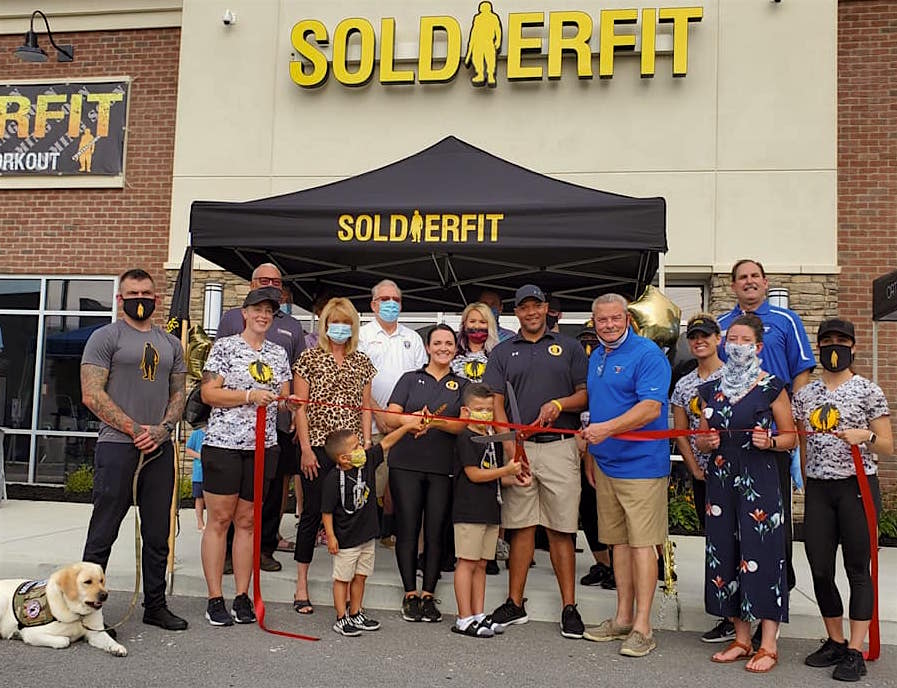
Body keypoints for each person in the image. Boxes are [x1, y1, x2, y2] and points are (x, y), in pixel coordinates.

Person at [80, 268, 188, 631]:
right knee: (104, 531)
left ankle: (155, 605)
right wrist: (133, 428)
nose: (139, 299)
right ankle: (86, 610)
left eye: (146, 293)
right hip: (117, 447)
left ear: (156, 299)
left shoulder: (171, 343)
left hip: (159, 449)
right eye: (132, 293)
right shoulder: (104, 337)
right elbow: (92, 394)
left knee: (158, 533)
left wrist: (162, 430)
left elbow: (178, 393)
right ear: (120, 298)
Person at [482, 284, 588, 639]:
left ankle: (569, 606)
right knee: (521, 525)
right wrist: (509, 446)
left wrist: (560, 404)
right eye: (523, 307)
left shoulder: (570, 347)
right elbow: (496, 401)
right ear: (517, 313)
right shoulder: (501, 351)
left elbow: (585, 394)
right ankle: (515, 602)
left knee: (561, 528)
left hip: (560, 445)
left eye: (536, 306)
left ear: (546, 309)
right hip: (520, 447)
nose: (530, 312)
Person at [694, 313, 797, 673]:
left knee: (763, 553)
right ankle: (741, 638)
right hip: (721, 484)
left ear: (758, 346)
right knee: (727, 553)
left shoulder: (772, 387)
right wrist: (705, 443)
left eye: (744, 340)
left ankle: (767, 644)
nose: (737, 346)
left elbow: (791, 437)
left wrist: (770, 441)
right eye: (732, 339)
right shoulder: (709, 390)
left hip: (760, 482)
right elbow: (704, 441)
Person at [793, 318, 893, 682]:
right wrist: (804, 479)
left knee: (857, 570)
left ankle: (855, 649)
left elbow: (887, 445)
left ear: (852, 346)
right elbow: (803, 443)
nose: (834, 346)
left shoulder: (869, 390)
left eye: (841, 340)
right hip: (820, 489)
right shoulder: (805, 395)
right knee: (820, 567)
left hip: (857, 487)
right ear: (819, 347)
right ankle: (834, 640)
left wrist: (864, 435)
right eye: (827, 340)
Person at [716, 259, 816, 598]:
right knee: (731, 526)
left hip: (773, 437)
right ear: (733, 285)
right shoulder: (723, 325)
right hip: (732, 440)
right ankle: (736, 605)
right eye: (742, 277)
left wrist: (793, 423)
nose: (749, 282)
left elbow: (801, 373)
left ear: (765, 281)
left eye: (754, 276)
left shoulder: (786, 320)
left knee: (772, 523)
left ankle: (775, 597)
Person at [580, 293, 671, 657]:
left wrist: (606, 430)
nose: (609, 325)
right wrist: (593, 450)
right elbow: (596, 409)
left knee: (641, 544)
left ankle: (643, 626)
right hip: (606, 464)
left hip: (641, 467)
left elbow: (650, 408)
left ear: (627, 319)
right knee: (617, 543)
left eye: (616, 318)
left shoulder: (647, 354)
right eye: (602, 320)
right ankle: (621, 618)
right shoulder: (598, 355)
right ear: (594, 321)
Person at [199, 287, 294, 626]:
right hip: (224, 444)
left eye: (269, 311)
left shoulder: (278, 353)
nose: (263, 315)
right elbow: (208, 393)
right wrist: (249, 395)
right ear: (245, 312)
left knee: (248, 522)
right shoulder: (225, 347)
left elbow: (283, 396)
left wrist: (288, 402)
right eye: (258, 309)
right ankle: (214, 597)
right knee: (220, 521)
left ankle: (242, 595)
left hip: (262, 446)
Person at [216, 262, 305, 573]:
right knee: (231, 499)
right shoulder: (230, 319)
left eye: (276, 282)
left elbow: (291, 377)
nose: (270, 284)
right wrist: (247, 396)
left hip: (273, 427)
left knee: (268, 494)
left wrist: (291, 407)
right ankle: (228, 553)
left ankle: (265, 547)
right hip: (232, 430)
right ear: (251, 285)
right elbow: (214, 384)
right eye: (264, 280)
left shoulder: (292, 327)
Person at [292, 297, 376, 616]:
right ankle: (301, 584)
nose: (339, 327)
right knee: (313, 512)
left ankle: (349, 589)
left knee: (352, 510)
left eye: (345, 322)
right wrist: (304, 449)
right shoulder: (308, 358)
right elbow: (300, 406)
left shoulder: (362, 361)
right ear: (325, 324)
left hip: (352, 449)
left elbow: (367, 406)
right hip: (316, 445)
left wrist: (367, 442)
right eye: (334, 321)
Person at [383, 324, 467, 623]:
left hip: (443, 466)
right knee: (406, 529)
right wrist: (412, 419)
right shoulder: (410, 379)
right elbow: (390, 416)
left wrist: (435, 422)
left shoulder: (463, 384)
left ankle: (429, 594)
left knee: (435, 531)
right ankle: (409, 593)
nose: (443, 348)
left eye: (449, 343)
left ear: (455, 348)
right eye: (437, 343)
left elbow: (462, 425)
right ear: (428, 348)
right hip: (405, 463)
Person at [321, 418, 425, 636]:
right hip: (346, 538)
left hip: (366, 535)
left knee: (361, 576)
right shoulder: (333, 479)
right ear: (343, 457)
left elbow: (386, 443)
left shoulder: (366, 462)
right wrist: (331, 536)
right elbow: (327, 511)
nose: (362, 449)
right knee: (342, 578)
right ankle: (341, 617)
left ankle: (356, 611)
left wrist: (406, 427)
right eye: (356, 447)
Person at [669, 314, 728, 642]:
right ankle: (725, 614)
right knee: (716, 543)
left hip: (735, 474)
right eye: (694, 336)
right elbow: (681, 431)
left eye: (706, 335)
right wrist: (692, 467)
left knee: (740, 541)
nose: (699, 340)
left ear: (718, 338)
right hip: (704, 475)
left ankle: (747, 611)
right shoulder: (684, 384)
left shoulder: (733, 377)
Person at [452, 383, 527, 637]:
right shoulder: (466, 437)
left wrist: (515, 478)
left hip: (490, 509)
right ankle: (463, 617)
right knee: (467, 561)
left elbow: (494, 476)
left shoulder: (493, 438)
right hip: (469, 510)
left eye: (488, 409)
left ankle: (478, 613)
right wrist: (506, 470)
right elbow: (474, 474)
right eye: (478, 409)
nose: (484, 413)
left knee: (482, 563)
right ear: (466, 410)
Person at [358, 279, 428, 545]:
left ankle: (389, 532)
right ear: (374, 304)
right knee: (368, 484)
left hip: (403, 428)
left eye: (396, 300)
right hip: (371, 425)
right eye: (385, 300)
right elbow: (359, 382)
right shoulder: (362, 336)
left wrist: (402, 420)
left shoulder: (412, 338)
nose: (391, 304)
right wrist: (378, 413)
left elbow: (420, 381)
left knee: (397, 485)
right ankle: (363, 536)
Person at [451, 301, 499, 383]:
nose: (477, 326)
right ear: (464, 323)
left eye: (482, 322)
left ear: (490, 325)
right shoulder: (452, 352)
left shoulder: (499, 354)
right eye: (472, 321)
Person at [187, 423, 207, 531]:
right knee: (199, 498)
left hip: (212, 474)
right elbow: (188, 449)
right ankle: (200, 522)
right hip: (199, 474)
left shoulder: (214, 432)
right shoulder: (196, 433)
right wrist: (200, 456)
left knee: (211, 499)